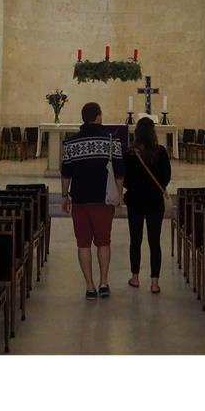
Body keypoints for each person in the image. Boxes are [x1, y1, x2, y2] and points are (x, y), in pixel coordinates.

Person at [61, 101, 124, 300]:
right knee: (104, 242)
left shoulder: (70, 143)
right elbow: (120, 174)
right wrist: (119, 196)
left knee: (83, 244)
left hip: (79, 200)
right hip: (103, 200)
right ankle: (103, 282)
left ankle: (89, 286)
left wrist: (64, 196)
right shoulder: (112, 141)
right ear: (99, 116)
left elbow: (66, 174)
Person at [123, 116, 171, 293]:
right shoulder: (161, 152)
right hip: (154, 201)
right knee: (154, 241)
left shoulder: (129, 153)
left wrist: (134, 186)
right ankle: (154, 282)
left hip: (135, 201)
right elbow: (166, 176)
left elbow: (125, 179)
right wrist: (157, 188)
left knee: (135, 240)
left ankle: (135, 278)